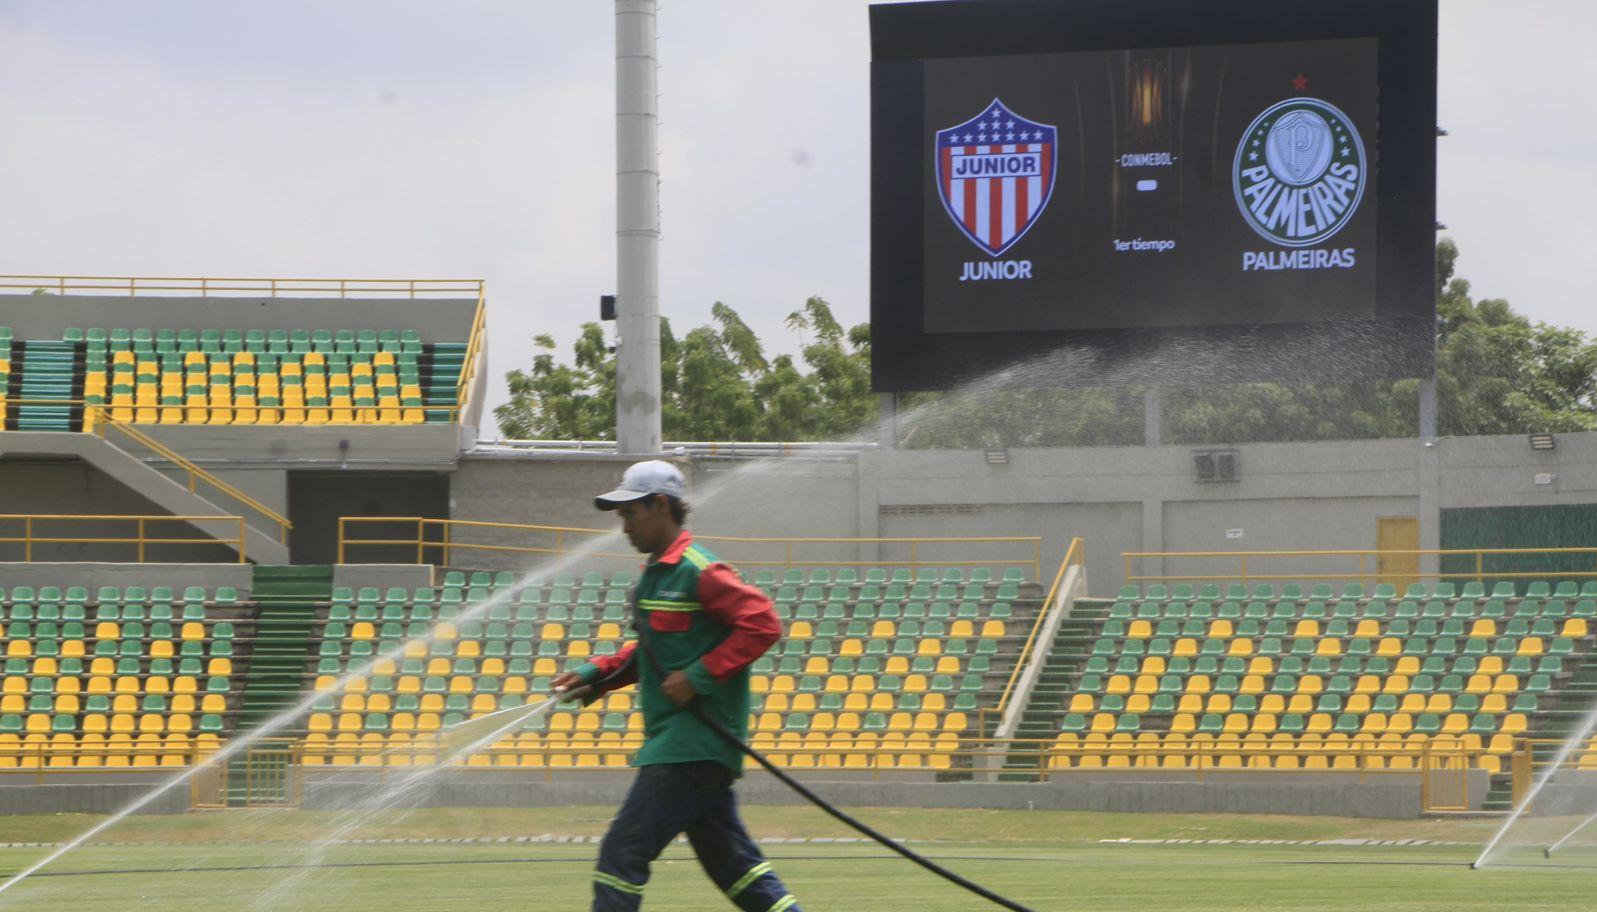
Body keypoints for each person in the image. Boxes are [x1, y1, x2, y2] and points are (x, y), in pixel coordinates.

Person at [552, 459, 802, 912]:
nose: (623, 526)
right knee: (740, 872)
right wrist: (596, 676)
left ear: (660, 505)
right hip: (687, 746)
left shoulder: (700, 570)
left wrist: (699, 677)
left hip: (691, 744)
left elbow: (763, 624)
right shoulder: (658, 574)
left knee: (622, 856)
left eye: (631, 513)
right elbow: (652, 652)